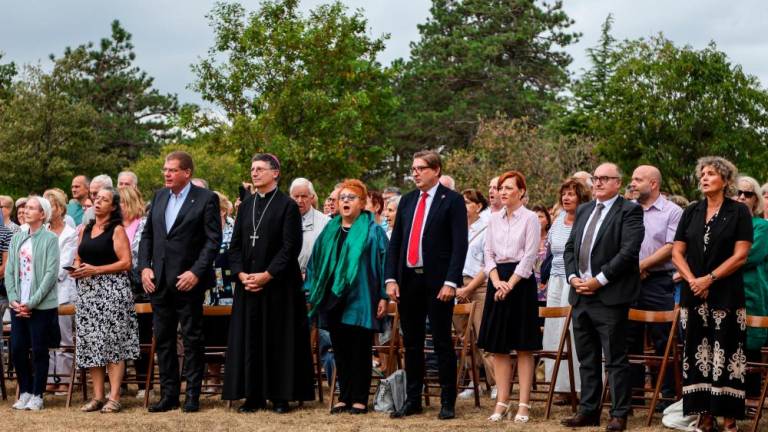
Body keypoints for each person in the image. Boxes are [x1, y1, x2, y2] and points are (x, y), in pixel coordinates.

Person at [223, 153, 314, 413]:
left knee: (278, 339)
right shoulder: (247, 204)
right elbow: (235, 246)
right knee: (250, 340)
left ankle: (281, 395)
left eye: (260, 169)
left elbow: (290, 246)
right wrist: (241, 275)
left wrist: (267, 275)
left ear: (275, 173)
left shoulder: (287, 205)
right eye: (252, 169)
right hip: (248, 285)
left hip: (278, 286)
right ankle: (253, 395)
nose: (254, 173)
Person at [561, 162, 644, 432]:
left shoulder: (630, 211)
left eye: (604, 179)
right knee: (587, 358)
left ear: (617, 183)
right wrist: (573, 278)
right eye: (595, 178)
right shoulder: (584, 209)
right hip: (581, 295)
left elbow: (628, 252)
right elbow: (570, 248)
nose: (597, 183)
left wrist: (599, 280)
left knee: (615, 359)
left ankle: (619, 413)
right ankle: (588, 410)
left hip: (610, 295)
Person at [385, 150, 468, 420]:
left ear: (436, 170)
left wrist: (451, 281)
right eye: (413, 168)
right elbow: (395, 242)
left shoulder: (452, 201)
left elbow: (459, 245)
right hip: (409, 281)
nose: (415, 173)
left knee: (442, 341)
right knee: (412, 343)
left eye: (421, 168)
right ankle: (413, 399)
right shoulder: (407, 201)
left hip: (438, 282)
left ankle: (447, 400)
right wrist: (391, 279)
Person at [672, 156, 752, 432]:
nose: (704, 178)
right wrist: (694, 280)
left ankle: (729, 416)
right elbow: (676, 252)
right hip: (693, 294)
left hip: (726, 295)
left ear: (725, 180)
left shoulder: (739, 212)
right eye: (702, 174)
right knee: (696, 352)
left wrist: (710, 278)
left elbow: (741, 255)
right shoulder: (691, 211)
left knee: (727, 351)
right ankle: (704, 415)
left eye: (711, 174)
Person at [138, 151, 222, 413]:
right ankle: (169, 395)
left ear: (187, 173)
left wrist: (196, 272)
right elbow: (148, 236)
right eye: (165, 169)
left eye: (172, 170)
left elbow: (212, 240)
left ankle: (192, 396)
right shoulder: (160, 196)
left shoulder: (206, 199)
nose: (166, 174)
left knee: (192, 338)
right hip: (159, 281)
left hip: (189, 281)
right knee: (162, 339)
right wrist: (143, 268)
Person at [306, 179, 389, 415]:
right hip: (333, 298)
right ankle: (345, 396)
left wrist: (383, 296)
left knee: (360, 349)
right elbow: (316, 262)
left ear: (362, 203)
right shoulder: (330, 229)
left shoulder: (373, 231)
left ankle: (360, 398)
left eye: (351, 198)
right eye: (341, 198)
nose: (345, 201)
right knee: (340, 349)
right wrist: (313, 290)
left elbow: (385, 265)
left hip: (362, 297)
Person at [477, 171, 542, 423]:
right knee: (498, 347)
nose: (502, 192)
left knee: (524, 347)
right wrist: (496, 282)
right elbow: (488, 253)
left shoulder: (530, 219)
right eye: (500, 188)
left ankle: (524, 403)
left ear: (521, 192)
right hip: (497, 281)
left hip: (521, 283)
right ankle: (502, 401)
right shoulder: (493, 219)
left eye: (508, 188)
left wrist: (511, 284)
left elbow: (529, 255)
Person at [71, 187, 139, 413]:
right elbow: (80, 256)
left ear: (113, 207)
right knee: (92, 346)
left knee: (112, 345)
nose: (98, 202)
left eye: (104, 200)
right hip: (88, 294)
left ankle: (115, 396)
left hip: (112, 293)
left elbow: (126, 263)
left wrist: (97, 270)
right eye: (96, 198)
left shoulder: (116, 230)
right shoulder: (86, 229)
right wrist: (77, 268)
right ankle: (98, 396)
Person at [626, 165, 683, 407]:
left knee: (663, 339)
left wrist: (641, 266)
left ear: (653, 184)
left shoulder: (673, 211)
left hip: (659, 281)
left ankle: (667, 394)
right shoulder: (627, 210)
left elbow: (671, 246)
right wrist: (632, 268)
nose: (633, 184)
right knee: (629, 337)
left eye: (638, 180)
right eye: (632, 179)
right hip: (628, 280)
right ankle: (634, 393)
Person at [5, 196, 61, 411]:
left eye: (31, 208)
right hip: (18, 303)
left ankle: (38, 394)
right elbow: (10, 271)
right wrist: (14, 300)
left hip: (42, 305)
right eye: (25, 207)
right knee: (18, 349)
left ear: (42, 214)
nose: (25, 211)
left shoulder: (49, 239)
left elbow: (50, 274)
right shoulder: (17, 238)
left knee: (39, 350)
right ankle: (25, 391)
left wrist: (32, 302)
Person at [542, 179, 591, 404]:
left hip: (576, 279)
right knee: (553, 332)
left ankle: (581, 387)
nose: (566, 198)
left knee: (572, 331)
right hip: (555, 279)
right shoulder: (559, 220)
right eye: (564, 193)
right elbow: (550, 252)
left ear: (581, 197)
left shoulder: (587, 219)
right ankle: (560, 386)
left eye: (571, 194)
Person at [454, 189, 496, 400]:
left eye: (467, 202)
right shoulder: (456, 228)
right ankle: (474, 382)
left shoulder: (487, 228)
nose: (463, 206)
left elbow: (489, 264)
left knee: (483, 336)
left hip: (478, 286)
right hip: (456, 285)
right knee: (465, 338)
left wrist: (469, 289)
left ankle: (496, 382)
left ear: (478, 206)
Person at [734, 175, 768, 401]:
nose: (742, 197)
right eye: (738, 193)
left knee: (750, 343)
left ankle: (753, 397)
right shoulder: (727, 223)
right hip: (726, 289)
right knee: (730, 343)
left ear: (756, 200)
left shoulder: (762, 227)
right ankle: (732, 396)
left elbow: (748, 257)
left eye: (748, 194)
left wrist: (720, 264)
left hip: (752, 291)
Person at [42, 188, 78, 393]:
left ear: (61, 208)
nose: (49, 209)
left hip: (62, 291)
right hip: (42, 293)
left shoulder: (70, 234)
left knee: (64, 337)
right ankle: (49, 377)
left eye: (52, 205)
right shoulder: (42, 232)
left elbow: (64, 264)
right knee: (46, 337)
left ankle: (64, 379)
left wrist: (45, 277)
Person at [118, 185, 151, 399]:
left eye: (119, 203)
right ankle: (119, 384)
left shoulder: (144, 224)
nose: (116, 207)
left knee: (142, 337)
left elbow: (144, 254)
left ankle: (142, 384)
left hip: (140, 290)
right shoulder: (115, 226)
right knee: (119, 337)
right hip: (118, 288)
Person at [202, 191, 236, 392]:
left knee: (231, 336)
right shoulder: (202, 232)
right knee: (211, 337)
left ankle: (231, 379)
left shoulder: (235, 230)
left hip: (231, 292)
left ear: (222, 211)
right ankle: (214, 380)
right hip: (208, 293)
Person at [290, 177, 330, 276]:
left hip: (313, 282)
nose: (299, 200)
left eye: (304, 196)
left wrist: (309, 275)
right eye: (296, 196)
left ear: (311, 197)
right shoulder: (281, 220)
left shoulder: (326, 223)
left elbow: (329, 257)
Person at [532, 204, 552, 308]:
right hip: (530, 288)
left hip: (549, 288)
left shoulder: (552, 238)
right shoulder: (527, 239)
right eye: (534, 217)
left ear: (547, 220)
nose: (537, 220)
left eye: (540, 216)